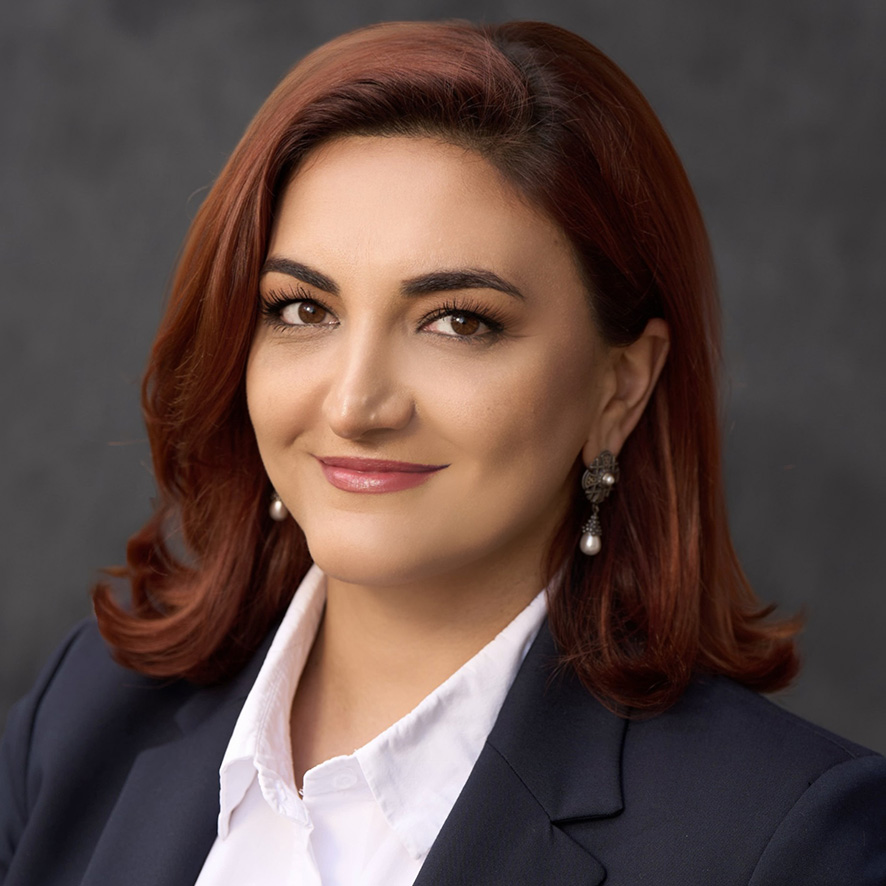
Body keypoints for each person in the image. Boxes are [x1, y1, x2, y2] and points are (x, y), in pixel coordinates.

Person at [1, 19, 884, 886]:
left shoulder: (784, 842)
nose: (355, 405)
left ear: (622, 384)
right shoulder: (87, 711)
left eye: (459, 321)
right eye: (303, 310)